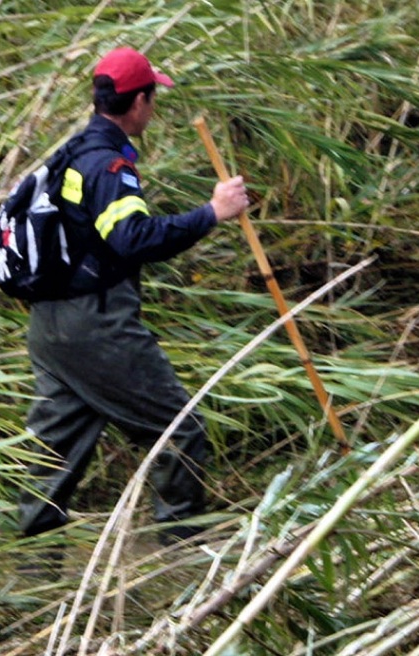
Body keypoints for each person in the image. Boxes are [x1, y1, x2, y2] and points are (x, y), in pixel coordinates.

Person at [16, 47, 249, 546]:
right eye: (152, 97)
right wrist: (212, 213)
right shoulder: (109, 164)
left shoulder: (71, 153)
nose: (154, 108)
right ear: (139, 101)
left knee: (53, 459)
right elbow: (133, 238)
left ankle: (29, 576)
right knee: (178, 431)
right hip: (96, 326)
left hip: (49, 326)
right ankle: (182, 562)